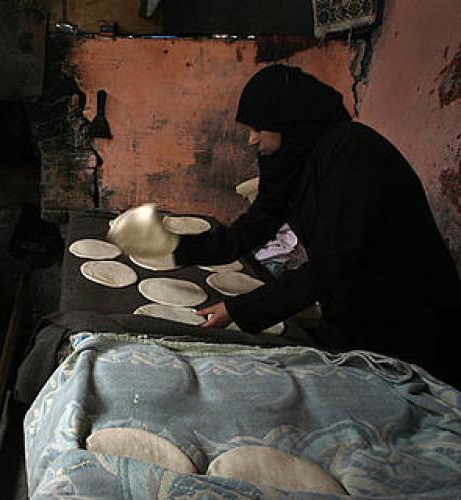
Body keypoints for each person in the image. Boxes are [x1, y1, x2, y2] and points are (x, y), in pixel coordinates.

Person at [173, 65, 460, 385]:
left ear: (288, 121)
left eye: (258, 128)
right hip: (351, 308)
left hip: (406, 318)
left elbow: (331, 265)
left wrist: (239, 310)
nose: (251, 139)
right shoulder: (293, 158)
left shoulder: (353, 155)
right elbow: (253, 226)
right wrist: (174, 248)